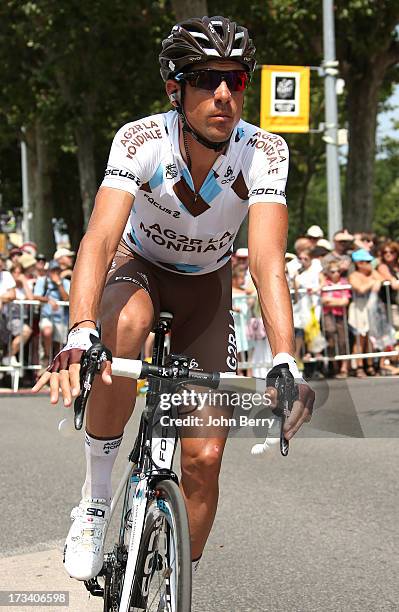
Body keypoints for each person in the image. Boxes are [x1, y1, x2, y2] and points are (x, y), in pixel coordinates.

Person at [33, 15, 314, 583]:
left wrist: (284, 356)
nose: (222, 95)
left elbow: (264, 260)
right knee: (127, 327)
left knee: (205, 460)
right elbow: (100, 238)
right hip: (139, 271)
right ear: (174, 88)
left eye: (235, 81)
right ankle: (95, 499)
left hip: (207, 289)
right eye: (206, 79)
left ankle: (169, 578)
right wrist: (82, 327)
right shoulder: (141, 140)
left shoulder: (266, 151)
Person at [348, 249, 381, 377]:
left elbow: (381, 279)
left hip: (370, 308)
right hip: (359, 308)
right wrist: (372, 282)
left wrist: (373, 273)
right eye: (366, 262)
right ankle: (359, 366)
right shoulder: (353, 275)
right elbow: (360, 289)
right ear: (359, 263)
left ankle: (370, 365)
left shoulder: (372, 273)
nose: (369, 264)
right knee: (359, 338)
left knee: (370, 338)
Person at [33, 260, 70, 367]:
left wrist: (58, 284)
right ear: (48, 271)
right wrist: (48, 299)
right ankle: (47, 356)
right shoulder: (42, 281)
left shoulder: (65, 283)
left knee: (59, 346)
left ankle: (54, 367)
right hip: (46, 316)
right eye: (53, 270)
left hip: (61, 319)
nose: (55, 273)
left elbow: (67, 298)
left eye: (57, 270)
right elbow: (35, 296)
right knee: (47, 331)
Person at [321, 262, 351, 378]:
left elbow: (345, 301)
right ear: (328, 272)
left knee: (343, 341)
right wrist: (337, 302)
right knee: (331, 336)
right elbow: (324, 300)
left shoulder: (344, 283)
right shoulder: (325, 283)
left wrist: (331, 301)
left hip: (340, 315)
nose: (336, 273)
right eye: (333, 271)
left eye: (338, 271)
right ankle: (335, 367)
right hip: (328, 314)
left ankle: (344, 368)